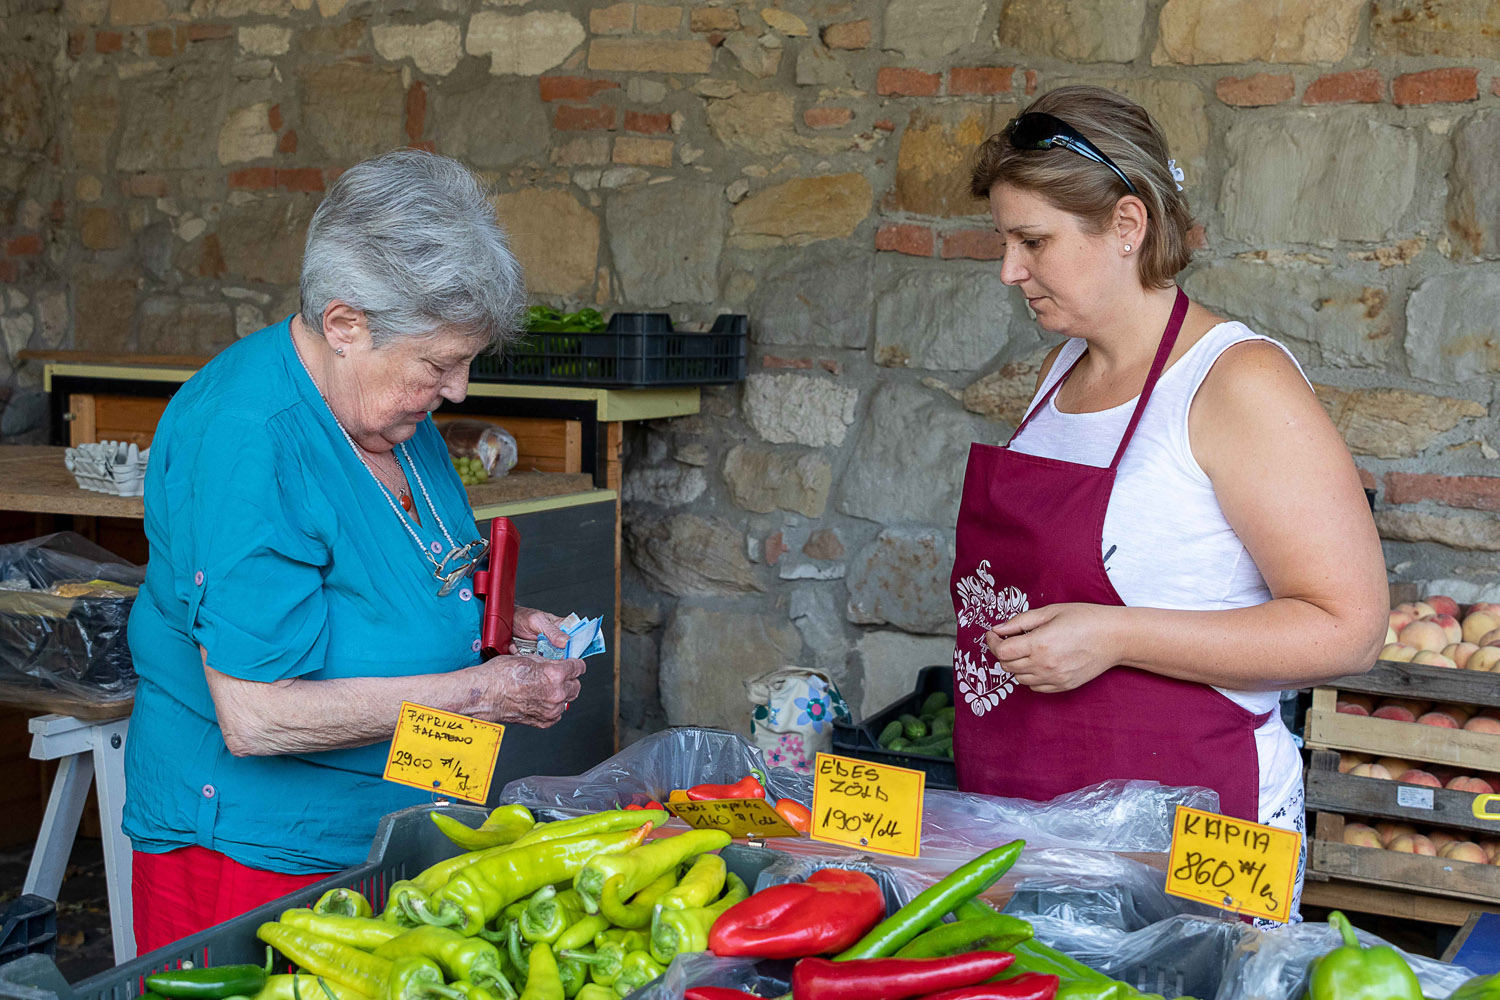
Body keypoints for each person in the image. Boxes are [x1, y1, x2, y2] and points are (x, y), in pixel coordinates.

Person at [123, 149, 586, 951]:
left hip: (406, 823)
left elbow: (404, 573)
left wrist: (496, 626)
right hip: (265, 855)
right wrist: (480, 692)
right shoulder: (250, 442)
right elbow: (257, 716)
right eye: (439, 364)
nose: (458, 391)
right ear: (345, 325)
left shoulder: (387, 408)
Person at [950, 86, 1387, 915]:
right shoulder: (1061, 375)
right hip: (1032, 824)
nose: (1010, 270)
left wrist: (1117, 633)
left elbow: (1349, 628)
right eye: (1006, 241)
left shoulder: (1236, 381)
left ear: (1125, 225)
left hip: (1196, 842)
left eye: (1032, 241)